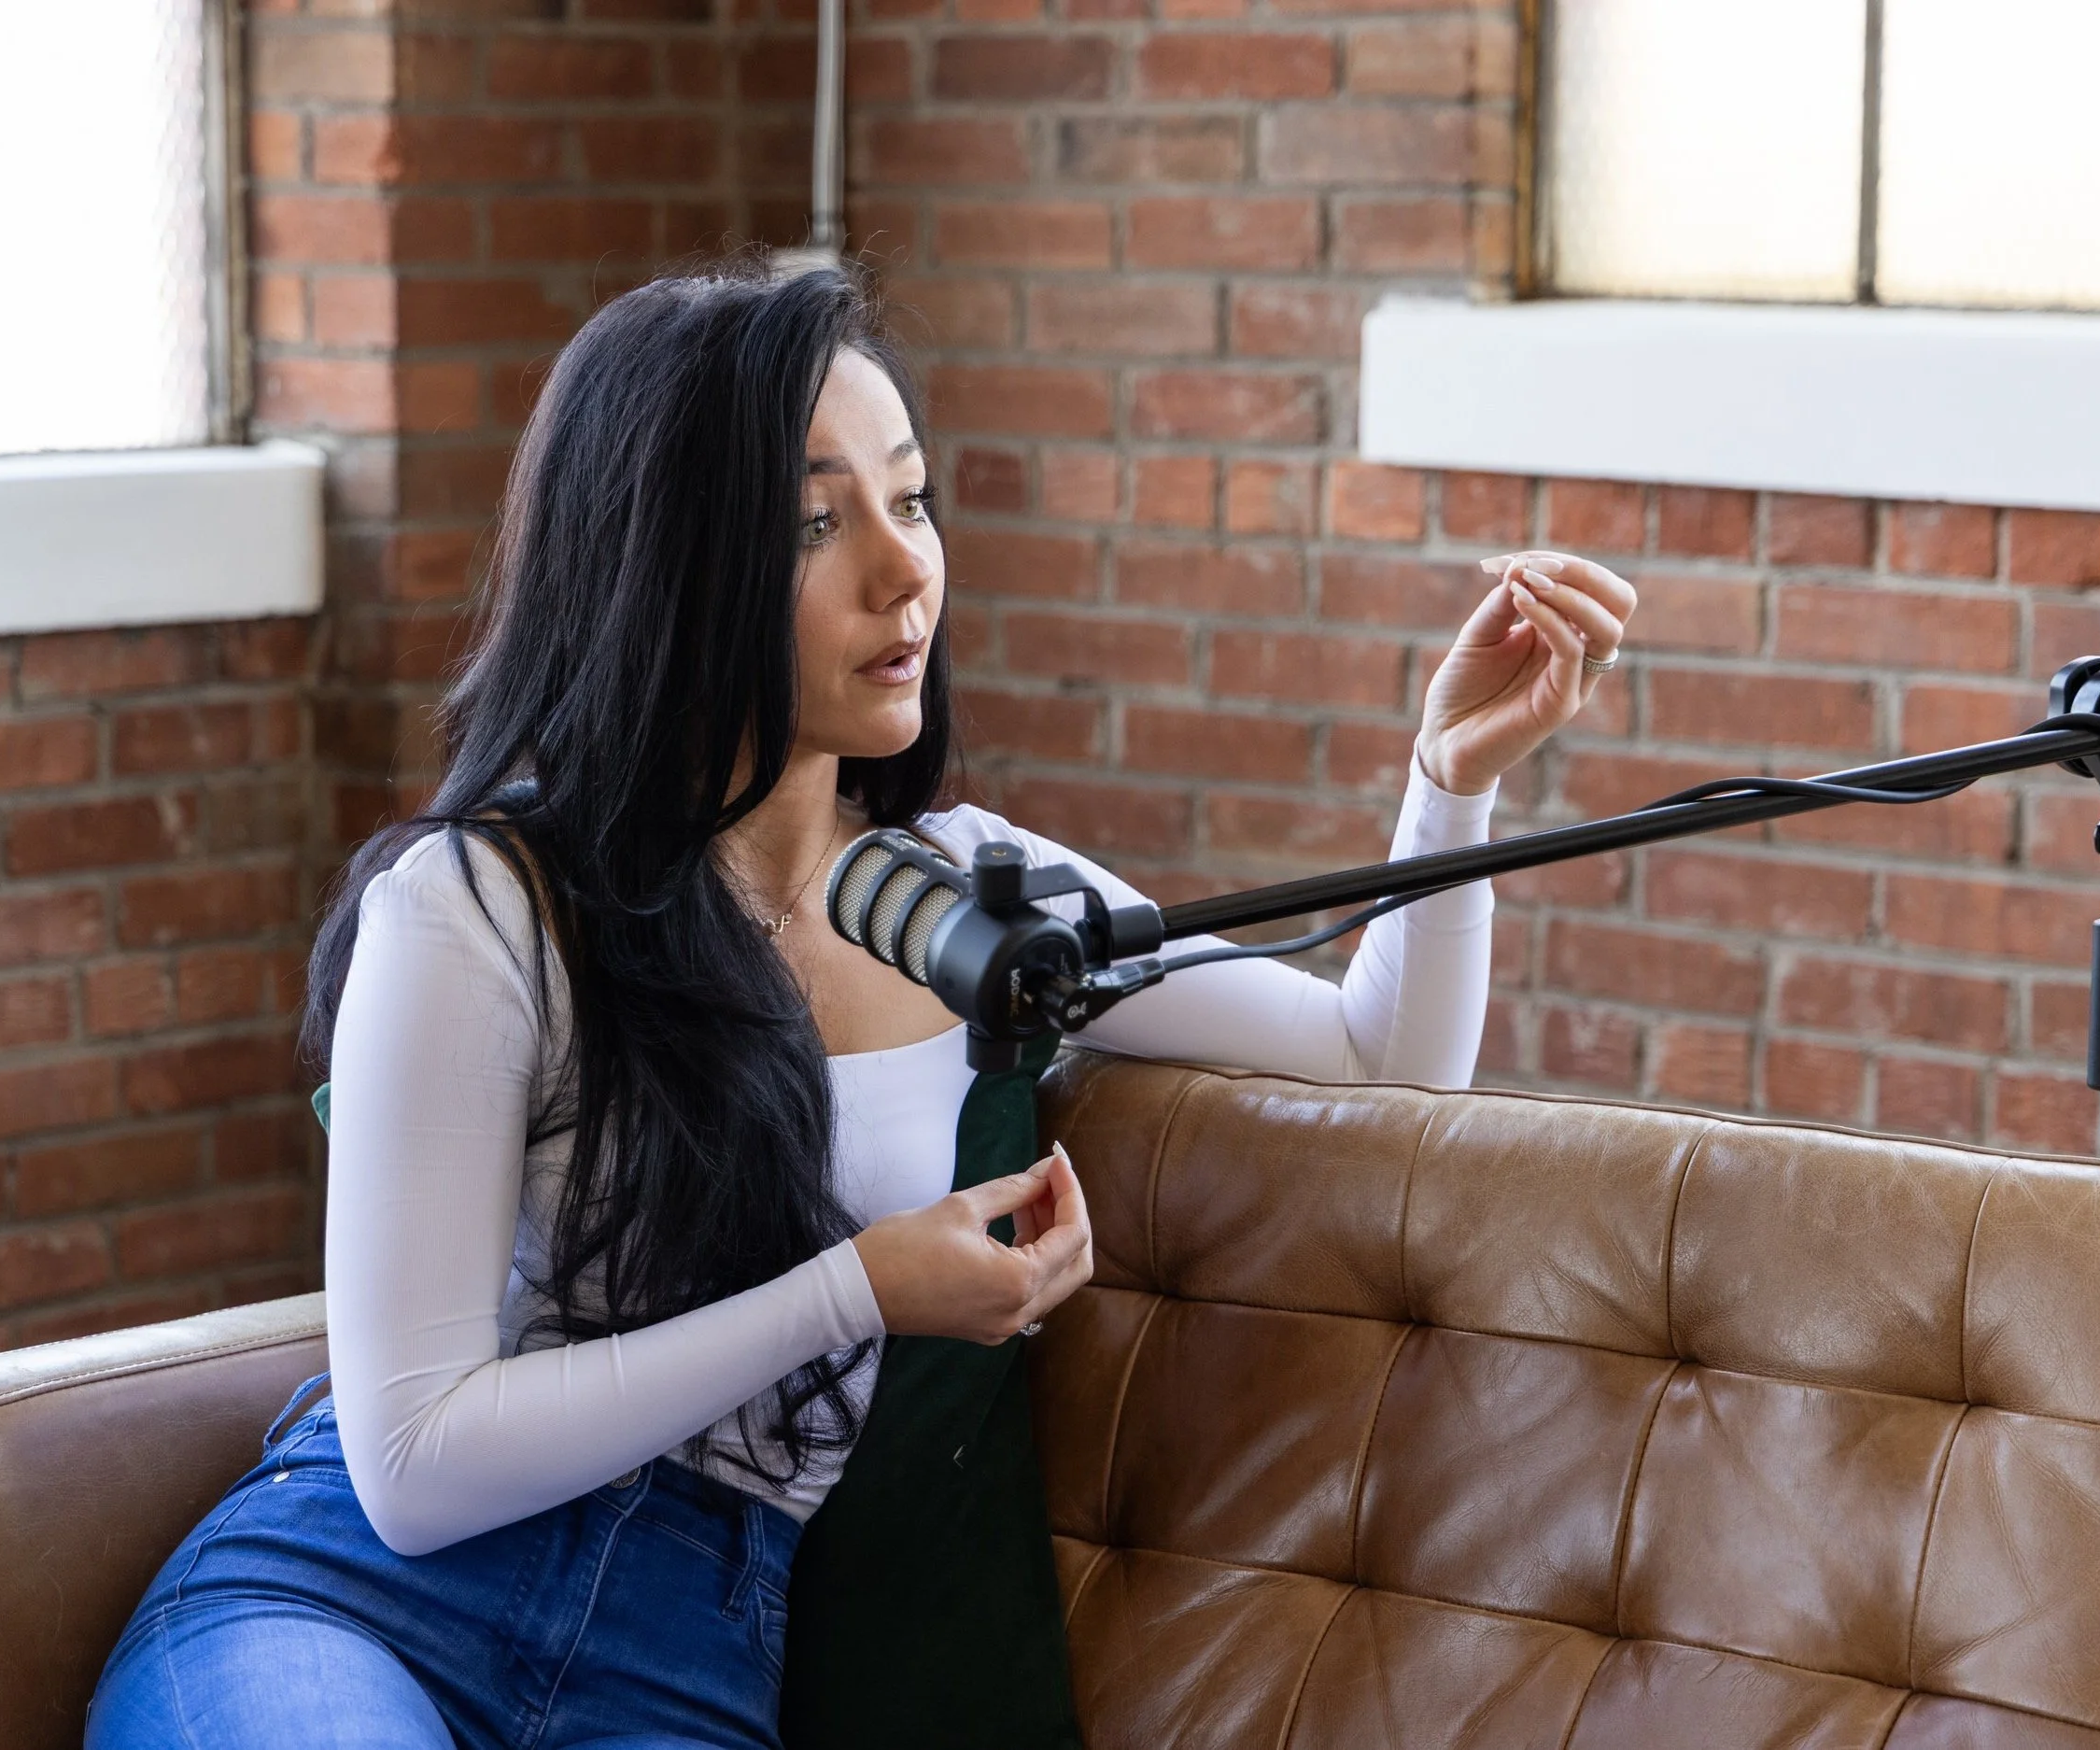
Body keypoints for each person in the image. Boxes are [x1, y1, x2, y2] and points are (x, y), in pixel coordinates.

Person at [84, 261, 1635, 1749]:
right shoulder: (486, 903)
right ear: (666, 563)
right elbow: (416, 1463)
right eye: (820, 521)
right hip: (354, 1603)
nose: (907, 569)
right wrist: (857, 1290)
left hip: (688, 1652)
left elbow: (1381, 1055)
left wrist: (1447, 785)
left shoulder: (965, 895)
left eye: (910, 498)